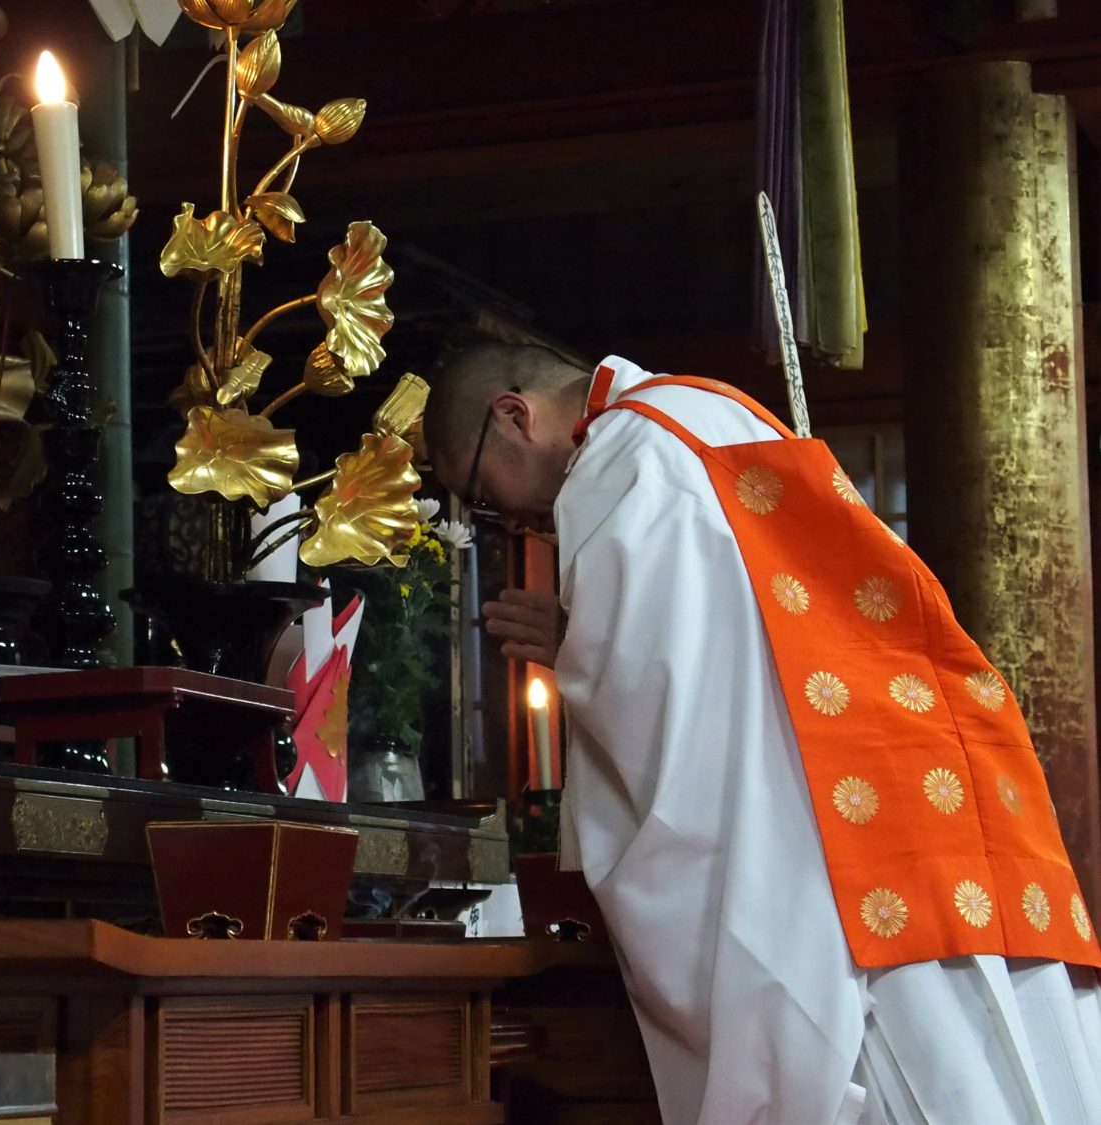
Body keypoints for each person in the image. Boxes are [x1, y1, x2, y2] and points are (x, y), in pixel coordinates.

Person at [424, 343, 1101, 1125]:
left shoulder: (620, 461)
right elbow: (742, 645)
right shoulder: (708, 409)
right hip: (921, 779)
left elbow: (668, 708)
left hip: (840, 847)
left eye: (477, 487)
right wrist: (587, 636)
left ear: (514, 415)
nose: (503, 514)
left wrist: (582, 648)